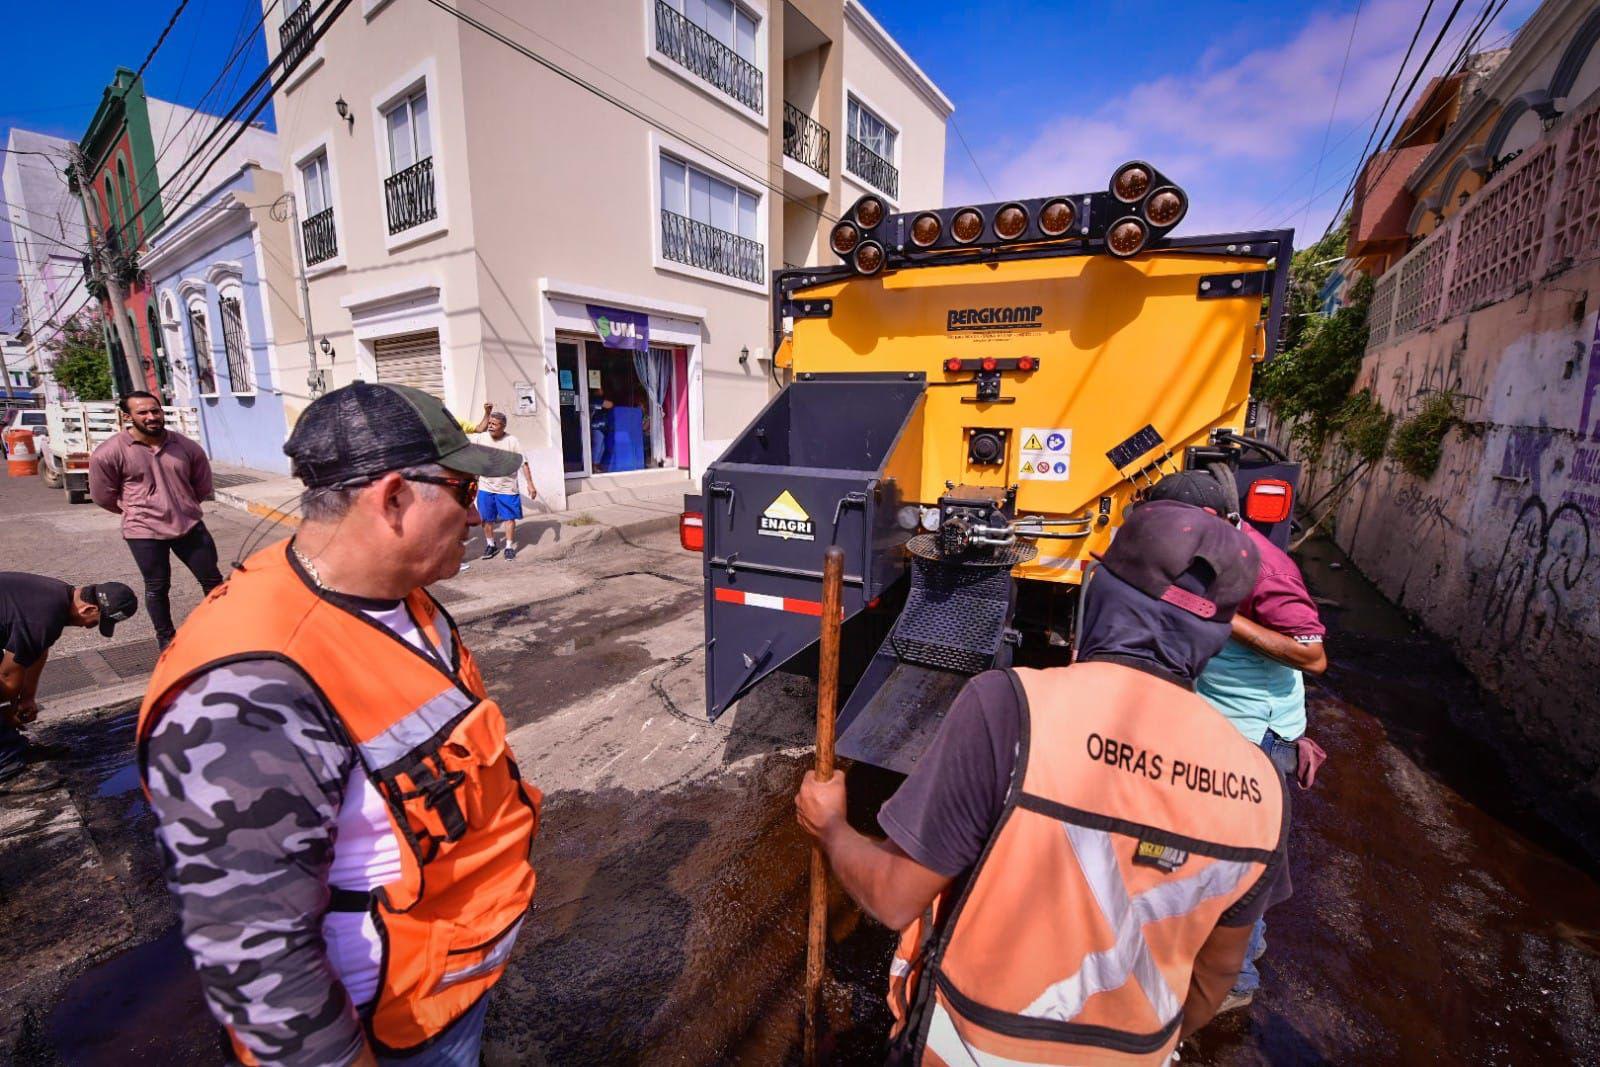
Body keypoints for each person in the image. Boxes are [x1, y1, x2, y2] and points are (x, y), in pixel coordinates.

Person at [796, 500, 1290, 1064]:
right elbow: (1216, 974)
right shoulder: (1263, 785)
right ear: (1216, 634)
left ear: (1100, 594)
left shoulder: (1011, 708)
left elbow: (891, 896)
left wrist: (831, 826)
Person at [137, 382, 541, 1066]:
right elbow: (257, 958)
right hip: (391, 1029)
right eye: (463, 493)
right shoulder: (248, 688)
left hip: (449, 982)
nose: (474, 518)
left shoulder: (403, 598)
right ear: (391, 498)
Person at [1145, 469, 1327, 1012]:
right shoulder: (1204, 550)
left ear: (1209, 521)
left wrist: (1220, 617)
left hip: (1251, 734)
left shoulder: (1265, 567)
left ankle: (1236, 982)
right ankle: (1233, 947)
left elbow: (1312, 656)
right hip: (1216, 721)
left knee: (1239, 859)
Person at [88, 390, 223, 650]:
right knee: (157, 587)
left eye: (155, 411)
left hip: (189, 526)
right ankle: (166, 639)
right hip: (144, 531)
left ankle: (222, 629)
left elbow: (202, 485)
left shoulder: (185, 447)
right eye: (143, 412)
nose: (151, 417)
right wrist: (136, 511)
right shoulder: (109, 453)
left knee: (213, 581)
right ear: (127, 416)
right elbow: (103, 495)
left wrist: (182, 505)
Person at [1, 575, 137, 782]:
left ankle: (12, 747)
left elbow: (38, 651)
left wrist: (27, 698)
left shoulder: (58, 596)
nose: (89, 627)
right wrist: (8, 711)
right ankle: (7, 768)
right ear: (88, 609)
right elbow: (8, 679)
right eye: (96, 622)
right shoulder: (43, 617)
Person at [462, 402, 536, 561]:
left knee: (509, 518)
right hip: (486, 487)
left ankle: (509, 546)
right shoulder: (481, 438)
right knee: (486, 519)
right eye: (489, 423)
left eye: (494, 424)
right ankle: (491, 545)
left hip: (507, 488)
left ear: (503, 426)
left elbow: (524, 463)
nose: (490, 426)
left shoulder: (512, 441)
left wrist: (530, 484)